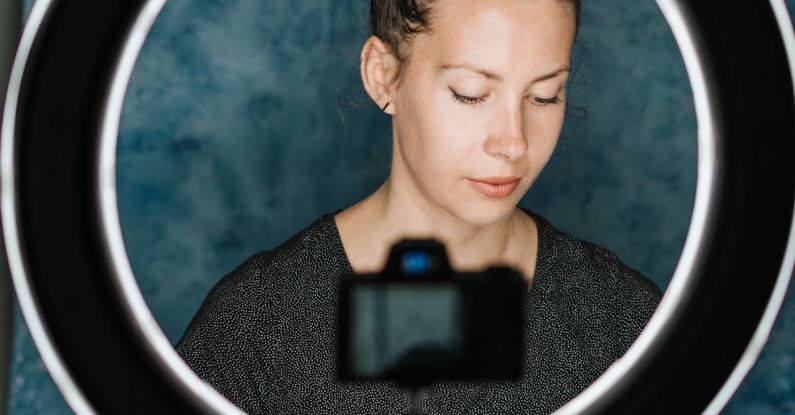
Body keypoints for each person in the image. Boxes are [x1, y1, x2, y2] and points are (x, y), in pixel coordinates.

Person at [175, 0, 663, 413]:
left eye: (544, 95)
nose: (513, 143)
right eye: (470, 95)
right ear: (383, 76)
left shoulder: (629, 324)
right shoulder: (256, 329)